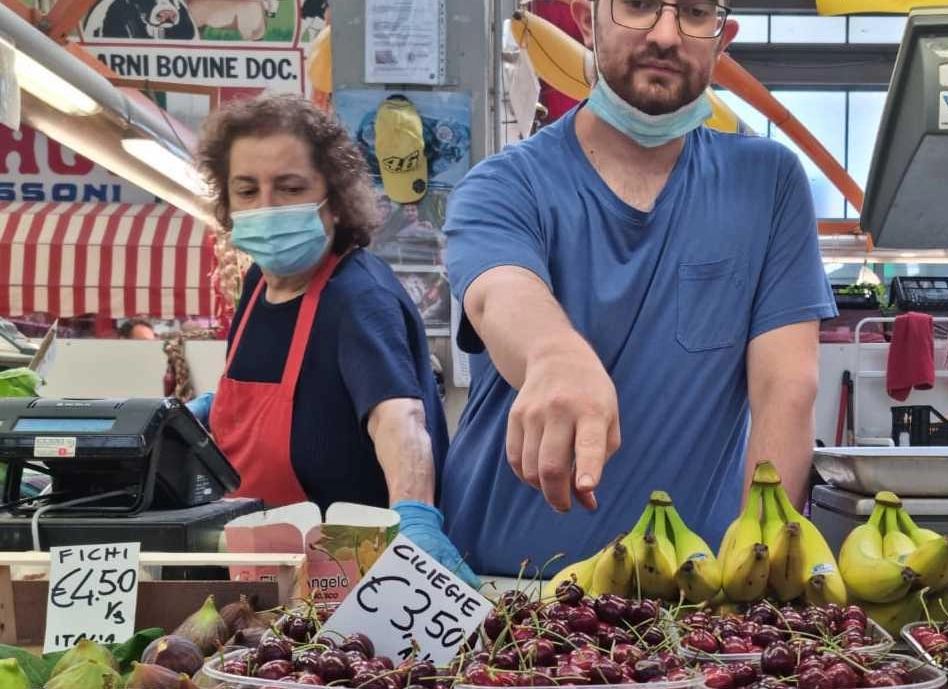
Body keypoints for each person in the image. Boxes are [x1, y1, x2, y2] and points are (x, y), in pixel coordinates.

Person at [441, 0, 837, 575]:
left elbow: (787, 387)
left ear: (722, 37)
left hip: (693, 597)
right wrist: (554, 356)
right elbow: (500, 292)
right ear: (584, 20)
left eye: (696, 13)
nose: (666, 35)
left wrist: (762, 560)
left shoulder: (768, 184)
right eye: (639, 6)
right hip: (506, 591)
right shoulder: (504, 185)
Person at [186, 95, 476, 586]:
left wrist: (416, 517)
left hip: (350, 577)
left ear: (334, 199)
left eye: (290, 187)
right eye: (247, 190)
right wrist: (198, 416)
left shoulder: (358, 296)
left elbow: (399, 421)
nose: (266, 207)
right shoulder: (259, 283)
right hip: (265, 568)